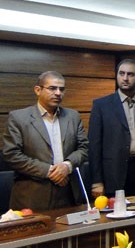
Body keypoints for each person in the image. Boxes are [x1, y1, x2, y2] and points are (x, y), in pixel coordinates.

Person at [2, 71, 88, 210]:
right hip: (33, 196)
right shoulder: (18, 118)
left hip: (68, 192)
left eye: (61, 89)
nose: (58, 93)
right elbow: (11, 155)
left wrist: (67, 166)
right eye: (52, 88)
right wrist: (49, 171)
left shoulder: (73, 116)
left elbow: (84, 148)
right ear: (38, 90)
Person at [89, 59, 135, 198]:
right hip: (113, 173)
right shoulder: (101, 105)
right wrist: (97, 181)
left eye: (130, 74)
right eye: (121, 73)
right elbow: (94, 146)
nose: (125, 78)